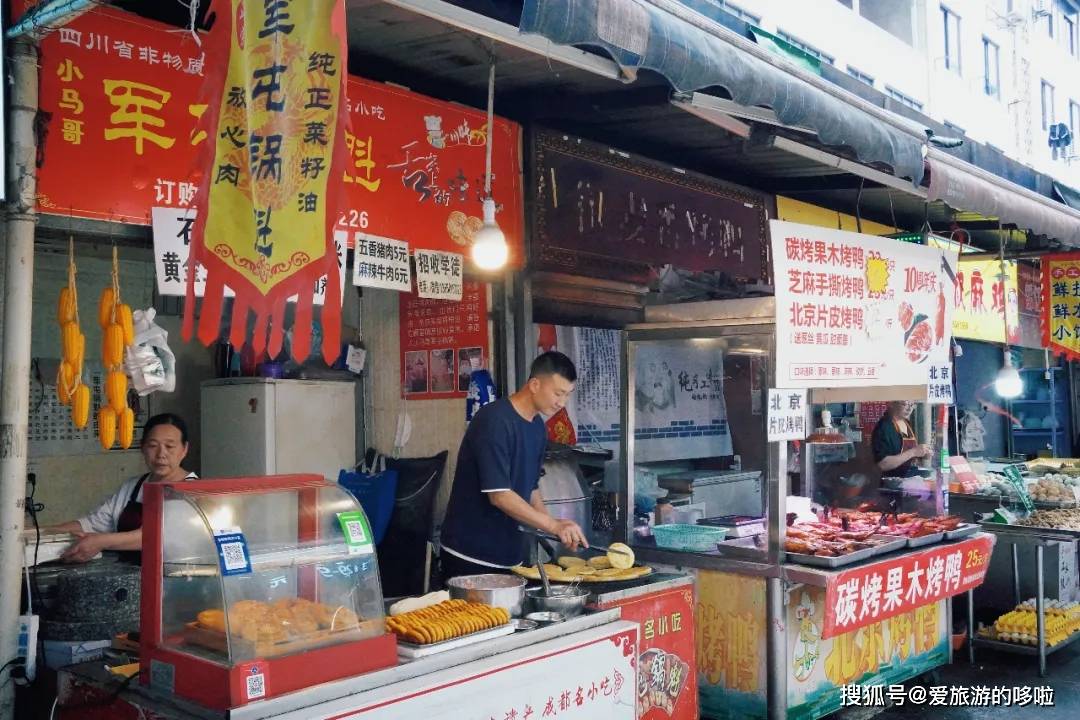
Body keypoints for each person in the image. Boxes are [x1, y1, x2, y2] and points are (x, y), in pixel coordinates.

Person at [440, 351, 589, 581]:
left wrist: (555, 528)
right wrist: (552, 525)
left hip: (511, 554)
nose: (562, 403)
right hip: (472, 555)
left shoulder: (538, 427)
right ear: (535, 384)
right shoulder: (494, 421)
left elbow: (531, 487)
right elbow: (499, 495)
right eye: (558, 393)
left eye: (567, 395)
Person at [49, 413, 196, 563]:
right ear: (142, 447)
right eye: (153, 446)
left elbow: (154, 536)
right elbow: (92, 524)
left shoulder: (193, 490)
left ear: (184, 449)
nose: (161, 454)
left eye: (170, 446)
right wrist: (41, 532)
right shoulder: (133, 486)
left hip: (173, 579)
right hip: (130, 578)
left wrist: (101, 541)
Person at [871, 401, 930, 479]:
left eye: (912, 405)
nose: (909, 409)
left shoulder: (907, 423)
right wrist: (913, 452)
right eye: (905, 404)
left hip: (907, 476)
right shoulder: (884, 427)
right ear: (892, 404)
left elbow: (908, 454)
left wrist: (922, 454)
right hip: (891, 481)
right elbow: (882, 464)